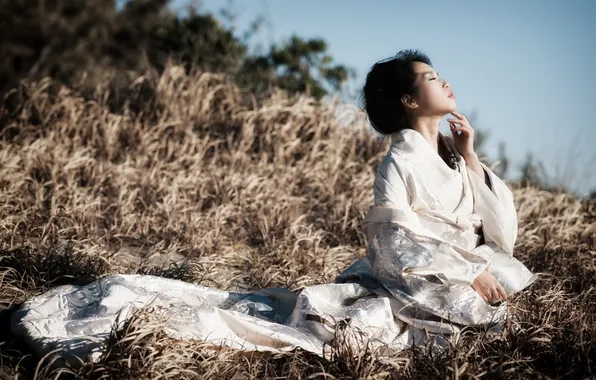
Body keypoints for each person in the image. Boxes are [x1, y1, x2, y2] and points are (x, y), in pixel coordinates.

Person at [11, 50, 537, 365]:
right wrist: (467, 272)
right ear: (407, 101)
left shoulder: (450, 157)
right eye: (430, 77)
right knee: (358, 328)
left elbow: (498, 232)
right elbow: (390, 245)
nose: (443, 81)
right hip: (415, 279)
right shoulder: (397, 163)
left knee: (494, 313)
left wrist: (469, 157)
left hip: (456, 276)